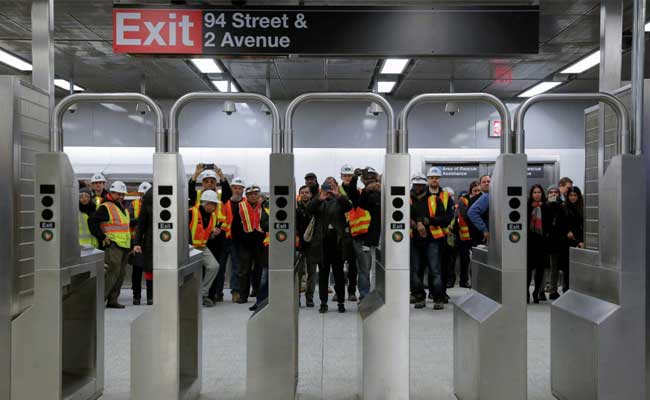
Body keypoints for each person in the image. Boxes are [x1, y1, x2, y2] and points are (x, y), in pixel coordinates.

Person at [307, 176, 352, 313]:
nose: (330, 187)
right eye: (327, 184)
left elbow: (348, 206)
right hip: (323, 241)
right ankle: (323, 302)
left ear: (336, 186)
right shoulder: (319, 199)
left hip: (337, 241)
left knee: (339, 274)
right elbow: (309, 209)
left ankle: (340, 302)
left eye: (332, 184)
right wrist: (319, 198)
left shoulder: (340, 200)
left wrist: (338, 195)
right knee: (323, 274)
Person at [409, 171, 449, 310]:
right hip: (414, 240)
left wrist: (427, 221)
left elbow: (443, 219)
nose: (418, 187)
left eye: (421, 185)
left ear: (424, 185)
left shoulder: (434, 199)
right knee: (416, 270)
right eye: (416, 185)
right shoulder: (407, 199)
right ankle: (419, 297)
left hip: (432, 240)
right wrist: (411, 222)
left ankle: (438, 298)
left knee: (435, 270)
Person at [88, 181, 131, 309]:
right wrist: (103, 237)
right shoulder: (105, 207)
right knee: (112, 273)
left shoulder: (122, 208)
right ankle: (99, 300)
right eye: (119, 194)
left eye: (123, 195)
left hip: (124, 246)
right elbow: (92, 221)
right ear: (112, 193)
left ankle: (113, 299)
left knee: (120, 274)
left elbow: (125, 228)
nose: (121, 197)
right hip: (113, 245)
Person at [188, 190, 223, 307]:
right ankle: (187, 297)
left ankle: (202, 294)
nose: (215, 207)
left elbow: (208, 235)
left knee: (214, 266)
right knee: (189, 274)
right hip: (189, 247)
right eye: (214, 204)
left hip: (202, 247)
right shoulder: (191, 212)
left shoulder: (213, 217)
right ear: (207, 203)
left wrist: (214, 234)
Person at [426, 167, 455, 306]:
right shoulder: (422, 194)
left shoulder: (445, 196)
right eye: (432, 177)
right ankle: (432, 292)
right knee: (430, 267)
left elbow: (449, 216)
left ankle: (441, 294)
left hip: (441, 237)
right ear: (428, 179)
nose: (434, 180)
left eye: (436, 178)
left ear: (439, 179)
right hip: (424, 237)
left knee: (441, 267)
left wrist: (433, 221)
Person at [211, 176, 240, 303]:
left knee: (236, 267)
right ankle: (218, 292)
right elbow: (221, 220)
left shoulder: (245, 204)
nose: (237, 190)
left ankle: (235, 292)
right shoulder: (224, 203)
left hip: (236, 240)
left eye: (240, 188)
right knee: (220, 267)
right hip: (223, 240)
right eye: (235, 188)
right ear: (231, 189)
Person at [354, 167, 381, 301]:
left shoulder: (382, 192)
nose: (370, 181)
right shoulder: (360, 193)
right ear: (363, 180)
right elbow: (359, 205)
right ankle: (365, 297)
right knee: (364, 269)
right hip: (362, 237)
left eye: (372, 178)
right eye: (367, 178)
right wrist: (366, 191)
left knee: (378, 269)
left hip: (379, 237)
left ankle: (377, 295)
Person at [236, 185, 266, 304]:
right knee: (244, 271)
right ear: (246, 196)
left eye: (256, 193)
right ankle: (243, 296)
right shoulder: (240, 206)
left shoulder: (265, 206)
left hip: (260, 242)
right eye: (251, 194)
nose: (253, 196)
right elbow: (235, 225)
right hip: (245, 243)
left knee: (259, 269)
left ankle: (257, 292)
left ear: (259, 195)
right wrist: (240, 239)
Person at [527, 184, 552, 304]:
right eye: (534, 192)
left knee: (540, 270)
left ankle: (536, 292)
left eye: (539, 192)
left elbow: (549, 225)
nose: (537, 195)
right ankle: (526, 292)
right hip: (529, 242)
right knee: (527, 269)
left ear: (542, 194)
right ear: (531, 194)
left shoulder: (547, 207)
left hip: (542, 242)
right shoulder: (526, 207)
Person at [128, 181, 152, 305]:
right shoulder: (133, 204)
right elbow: (128, 221)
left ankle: (150, 296)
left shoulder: (153, 205)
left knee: (149, 269)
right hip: (137, 241)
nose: (143, 196)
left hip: (149, 242)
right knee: (137, 270)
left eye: (145, 194)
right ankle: (136, 296)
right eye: (142, 194)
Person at [338, 164, 359, 302]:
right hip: (339, 230)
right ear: (341, 176)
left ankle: (351, 291)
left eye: (349, 176)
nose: (347, 178)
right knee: (338, 263)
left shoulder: (356, 191)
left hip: (353, 230)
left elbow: (354, 201)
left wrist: (355, 180)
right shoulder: (336, 190)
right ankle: (338, 291)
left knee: (353, 264)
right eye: (345, 176)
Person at [558, 186, 584, 293]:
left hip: (580, 241)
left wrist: (582, 241)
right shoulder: (563, 208)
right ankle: (566, 288)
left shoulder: (582, 209)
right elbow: (561, 224)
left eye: (575, 195)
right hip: (567, 241)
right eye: (570, 195)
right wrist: (567, 231)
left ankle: (577, 289)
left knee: (579, 267)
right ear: (567, 196)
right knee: (567, 267)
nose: (573, 197)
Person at [296, 185, 318, 307]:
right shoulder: (295, 208)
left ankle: (309, 297)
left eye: (307, 192)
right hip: (299, 244)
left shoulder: (315, 207)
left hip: (312, 244)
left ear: (310, 194)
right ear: (299, 194)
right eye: (302, 192)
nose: (305, 194)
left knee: (312, 273)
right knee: (298, 273)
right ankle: (297, 298)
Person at [249, 200, 271, 312]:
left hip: (287, 247)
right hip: (269, 247)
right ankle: (260, 302)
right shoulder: (265, 210)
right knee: (265, 276)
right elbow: (265, 226)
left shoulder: (291, 209)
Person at [545, 185, 565, 300]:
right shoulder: (545, 206)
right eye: (550, 192)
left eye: (555, 192)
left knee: (555, 267)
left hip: (558, 240)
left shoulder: (562, 206)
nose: (553, 194)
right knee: (545, 266)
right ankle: (545, 289)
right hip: (547, 240)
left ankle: (553, 289)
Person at [455, 188, 473, 288]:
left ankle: (464, 281)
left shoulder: (471, 208)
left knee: (466, 261)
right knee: (461, 261)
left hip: (468, 238)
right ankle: (460, 280)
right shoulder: (456, 209)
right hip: (459, 238)